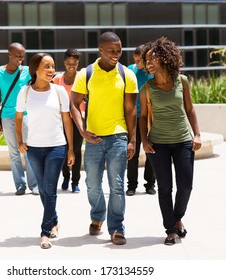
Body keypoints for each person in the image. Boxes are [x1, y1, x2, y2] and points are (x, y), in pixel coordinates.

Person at [71, 31, 138, 245]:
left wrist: (132, 139)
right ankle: (98, 215)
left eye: (119, 51)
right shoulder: (86, 73)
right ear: (100, 50)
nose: (116, 54)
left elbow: (130, 111)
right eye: (111, 51)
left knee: (117, 185)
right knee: (92, 183)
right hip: (93, 138)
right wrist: (82, 131)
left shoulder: (128, 75)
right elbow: (74, 103)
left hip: (118, 136)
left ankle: (117, 227)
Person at [139, 37, 202, 246]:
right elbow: (142, 116)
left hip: (183, 140)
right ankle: (170, 229)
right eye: (146, 60)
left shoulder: (181, 81)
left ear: (164, 57)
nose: (147, 63)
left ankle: (177, 217)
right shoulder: (146, 88)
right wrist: (144, 140)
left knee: (186, 185)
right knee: (165, 188)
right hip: (158, 143)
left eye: (151, 59)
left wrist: (197, 134)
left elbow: (190, 109)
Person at [15, 53, 75, 249]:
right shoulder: (25, 92)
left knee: (50, 189)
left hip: (56, 146)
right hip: (33, 148)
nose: (51, 70)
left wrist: (71, 148)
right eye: (47, 67)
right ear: (35, 70)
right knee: (43, 190)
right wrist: (19, 141)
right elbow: (17, 118)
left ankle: (45, 232)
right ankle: (54, 220)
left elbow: (67, 120)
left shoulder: (59, 91)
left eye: (52, 66)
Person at [0, 42, 38, 196]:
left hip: (24, 115)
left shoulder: (26, 72)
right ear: (9, 54)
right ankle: (20, 185)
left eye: (22, 56)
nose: (20, 59)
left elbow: (35, 89)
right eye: (17, 56)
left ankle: (34, 185)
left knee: (28, 150)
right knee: (14, 152)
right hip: (6, 116)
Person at [126, 44, 156, 196]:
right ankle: (131, 185)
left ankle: (150, 184)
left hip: (150, 118)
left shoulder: (153, 72)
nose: (137, 63)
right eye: (135, 60)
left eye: (139, 60)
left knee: (151, 151)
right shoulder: (130, 70)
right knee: (133, 152)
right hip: (134, 117)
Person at [53, 48, 84, 193]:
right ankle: (65, 176)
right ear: (64, 62)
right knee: (64, 149)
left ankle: (75, 181)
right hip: (61, 121)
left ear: (78, 63)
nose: (71, 65)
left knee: (76, 150)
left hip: (78, 120)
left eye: (75, 63)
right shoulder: (57, 80)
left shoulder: (82, 79)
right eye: (69, 63)